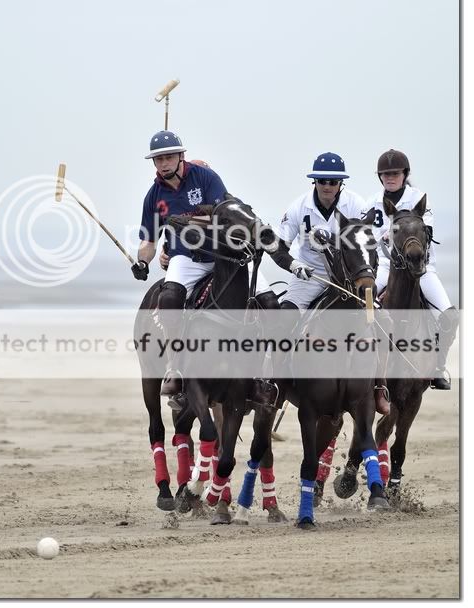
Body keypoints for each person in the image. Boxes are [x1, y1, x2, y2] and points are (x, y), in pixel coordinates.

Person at [132, 132, 312, 409]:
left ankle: (268, 376)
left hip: (224, 254)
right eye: (158, 159)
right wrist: (142, 260)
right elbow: (149, 242)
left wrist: (187, 220)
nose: (164, 163)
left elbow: (222, 213)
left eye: (169, 156)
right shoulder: (154, 196)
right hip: (187, 258)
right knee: (168, 299)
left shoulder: (205, 177)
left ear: (181, 156)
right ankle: (175, 367)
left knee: (270, 303)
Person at [277, 152, 390, 415]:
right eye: (322, 181)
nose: (327, 186)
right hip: (309, 276)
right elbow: (278, 246)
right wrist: (293, 265)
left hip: (347, 279)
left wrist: (368, 276)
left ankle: (379, 387)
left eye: (333, 181)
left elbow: (369, 246)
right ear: (314, 182)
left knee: (381, 321)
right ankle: (276, 385)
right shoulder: (298, 208)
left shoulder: (356, 205)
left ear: (341, 184)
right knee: (283, 320)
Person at [363, 149, 458, 390]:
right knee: (364, 305)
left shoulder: (419, 199)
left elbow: (425, 228)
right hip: (385, 266)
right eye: (385, 174)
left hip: (421, 269)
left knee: (449, 316)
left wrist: (395, 232)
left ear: (405, 174)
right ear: (380, 177)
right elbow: (365, 237)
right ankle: (366, 364)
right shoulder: (372, 203)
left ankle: (437, 367)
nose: (390, 177)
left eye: (395, 173)